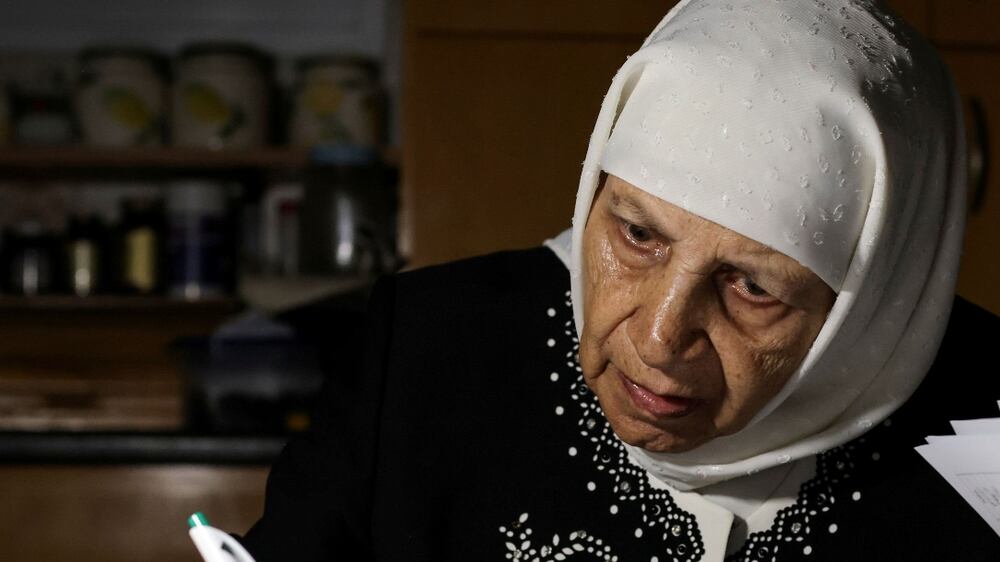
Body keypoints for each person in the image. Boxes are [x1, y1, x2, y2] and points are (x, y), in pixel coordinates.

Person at [241, 0, 1000, 559]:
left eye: (754, 288)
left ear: (874, 304)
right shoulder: (431, 347)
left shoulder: (988, 418)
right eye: (638, 236)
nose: (660, 336)